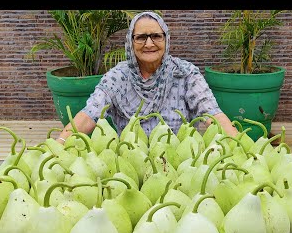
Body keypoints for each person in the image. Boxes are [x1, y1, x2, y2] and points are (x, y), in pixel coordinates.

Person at [56, 11, 238, 144]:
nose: (149, 43)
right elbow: (89, 115)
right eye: (141, 37)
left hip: (180, 162)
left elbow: (212, 113)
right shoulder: (117, 77)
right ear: (130, 42)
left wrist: (238, 144)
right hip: (130, 160)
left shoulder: (185, 73)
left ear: (166, 40)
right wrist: (61, 143)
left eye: (156, 36)